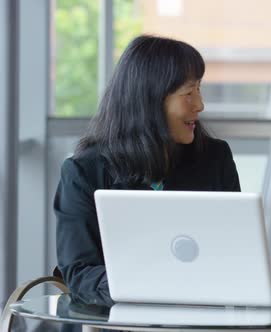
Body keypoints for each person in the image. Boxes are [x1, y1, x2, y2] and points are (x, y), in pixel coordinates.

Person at [54, 35, 241, 305]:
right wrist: (153, 287)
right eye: (189, 93)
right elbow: (80, 273)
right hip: (117, 319)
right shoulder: (83, 172)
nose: (200, 105)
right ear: (151, 101)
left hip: (201, 316)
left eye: (199, 89)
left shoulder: (215, 158)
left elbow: (236, 253)